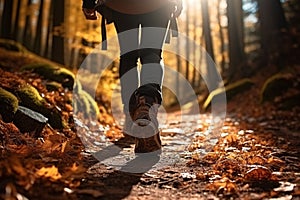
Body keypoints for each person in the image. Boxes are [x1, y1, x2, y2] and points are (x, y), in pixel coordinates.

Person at [82, 0, 182, 154]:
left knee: (128, 58)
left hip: (122, 5)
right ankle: (146, 106)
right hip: (158, 5)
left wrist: (88, 2)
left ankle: (131, 116)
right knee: (152, 56)